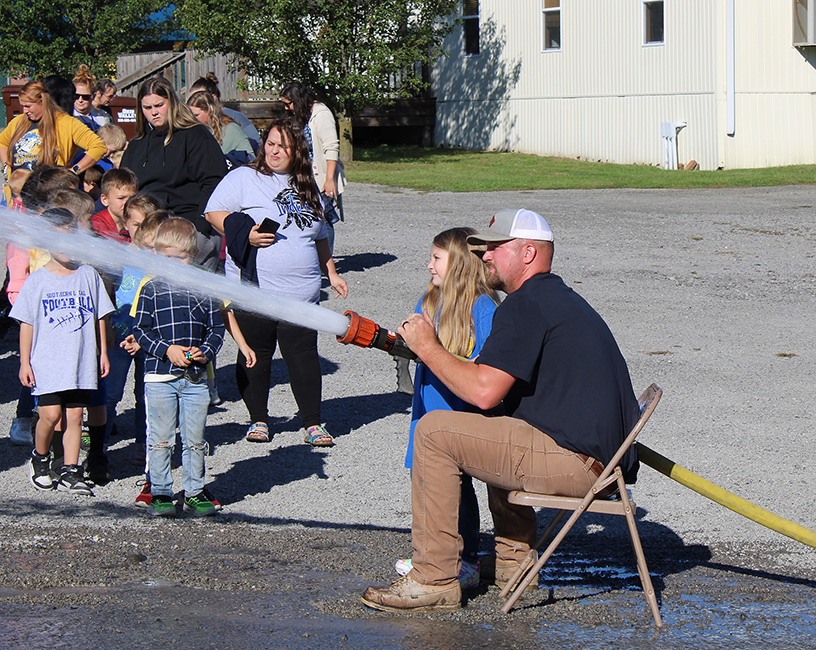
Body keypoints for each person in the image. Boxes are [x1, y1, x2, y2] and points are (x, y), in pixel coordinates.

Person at [361, 208, 641, 613]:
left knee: (435, 431)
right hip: (594, 458)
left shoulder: (526, 305)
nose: (486, 256)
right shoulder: (551, 298)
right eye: (483, 248)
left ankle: (433, 578)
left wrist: (427, 347)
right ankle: (514, 565)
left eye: (495, 247)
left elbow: (484, 392)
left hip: (579, 462)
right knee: (491, 427)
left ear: (528, 253)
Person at [204, 118, 347, 447]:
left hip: (302, 293)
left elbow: (320, 235)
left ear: (297, 149)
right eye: (270, 143)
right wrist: (245, 233)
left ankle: (312, 422)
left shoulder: (307, 183)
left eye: (283, 145)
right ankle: (258, 418)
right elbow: (213, 213)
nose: (275, 151)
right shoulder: (243, 177)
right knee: (256, 355)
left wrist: (332, 272)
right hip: (256, 290)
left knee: (303, 357)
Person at [392, 227, 499, 591]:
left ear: (459, 265)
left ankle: (465, 559)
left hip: (460, 416)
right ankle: (431, 554)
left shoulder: (483, 308)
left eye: (436, 258)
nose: (429, 265)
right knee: (423, 484)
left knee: (458, 490)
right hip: (426, 410)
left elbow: (489, 368)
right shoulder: (431, 301)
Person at [10, 207, 114, 495]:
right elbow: (26, 324)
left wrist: (102, 353)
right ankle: (40, 458)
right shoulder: (38, 281)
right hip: (48, 362)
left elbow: (100, 317)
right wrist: (24, 362)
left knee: (75, 417)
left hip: (80, 361)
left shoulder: (88, 275)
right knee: (50, 416)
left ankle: (71, 468)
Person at [132, 218, 225, 517]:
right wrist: (167, 350)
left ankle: (194, 491)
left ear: (194, 254)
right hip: (159, 378)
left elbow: (216, 330)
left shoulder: (204, 287)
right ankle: (159, 492)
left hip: (196, 379)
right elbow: (141, 332)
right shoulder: (150, 288)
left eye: (181, 258)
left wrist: (205, 352)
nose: (173, 263)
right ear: (156, 254)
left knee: (196, 440)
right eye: (167, 257)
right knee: (160, 439)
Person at [121, 76, 227, 271]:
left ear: (171, 102)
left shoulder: (196, 136)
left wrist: (199, 231)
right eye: (147, 107)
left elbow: (213, 182)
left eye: (159, 105)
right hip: (148, 237)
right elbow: (127, 189)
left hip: (188, 232)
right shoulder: (136, 145)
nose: (153, 112)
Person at [280, 82, 345, 252]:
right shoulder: (300, 115)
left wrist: (329, 180)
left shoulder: (321, 114)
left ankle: (325, 260)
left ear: (298, 100)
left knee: (324, 219)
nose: (286, 108)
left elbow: (331, 148)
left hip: (320, 175)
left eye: (289, 103)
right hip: (302, 175)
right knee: (306, 217)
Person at [0, 81, 106, 183]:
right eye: (22, 106)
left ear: (42, 102)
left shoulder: (67, 123)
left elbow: (98, 147)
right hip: (16, 197)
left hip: (49, 195)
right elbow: (2, 142)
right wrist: (7, 168)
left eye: (28, 106)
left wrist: (74, 171)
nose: (24, 111)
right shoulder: (19, 122)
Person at [190, 74, 260, 153]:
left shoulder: (235, 119)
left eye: (200, 97)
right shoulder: (200, 127)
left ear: (213, 98)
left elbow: (257, 144)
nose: (194, 101)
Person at [187, 91, 254, 167]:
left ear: (209, 111)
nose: (192, 119)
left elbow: (250, 158)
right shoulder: (195, 132)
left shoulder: (231, 129)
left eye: (196, 115)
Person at [91, 168, 138, 242]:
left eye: (131, 198)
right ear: (105, 200)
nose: (127, 203)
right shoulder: (96, 225)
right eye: (121, 198)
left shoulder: (136, 223)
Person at [73, 65, 111, 132]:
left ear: (93, 96)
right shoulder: (69, 118)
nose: (80, 100)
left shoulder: (102, 120)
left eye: (85, 97)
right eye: (76, 96)